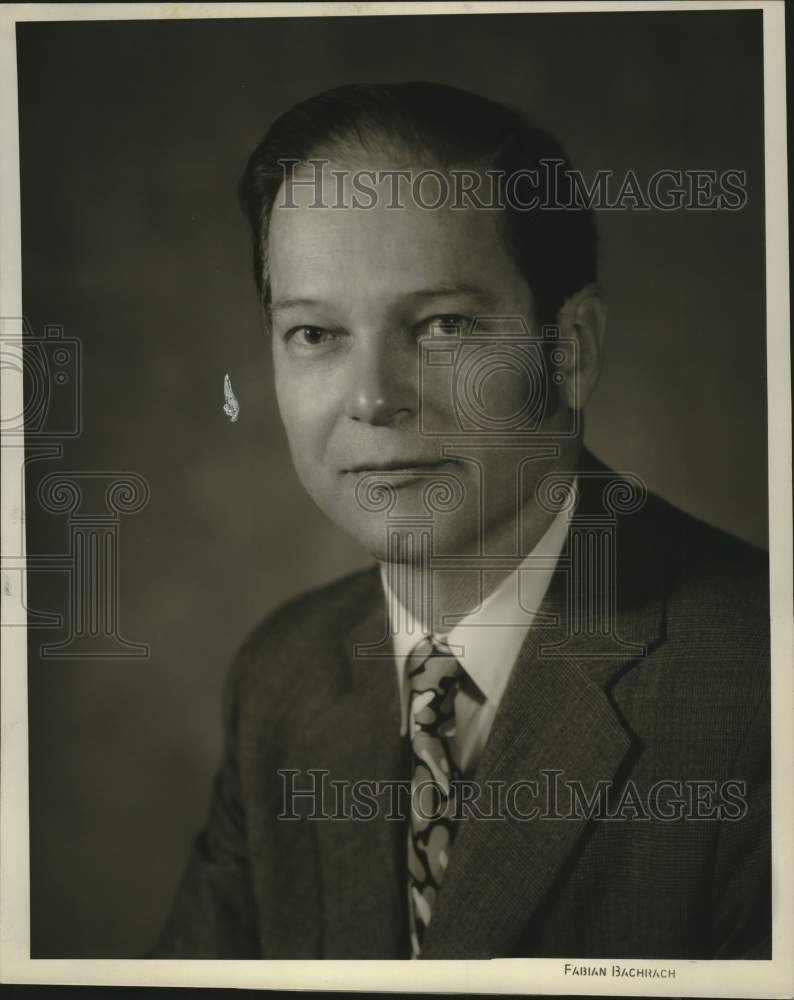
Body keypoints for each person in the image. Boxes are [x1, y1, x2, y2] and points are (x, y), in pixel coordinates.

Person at [152, 82, 770, 960]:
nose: (372, 398)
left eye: (441, 324)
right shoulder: (280, 679)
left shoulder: (760, 681)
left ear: (571, 351)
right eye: (315, 334)